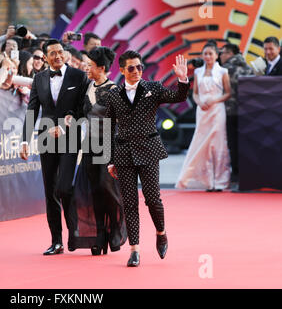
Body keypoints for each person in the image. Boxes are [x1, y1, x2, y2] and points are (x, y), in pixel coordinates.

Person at [106, 50, 189, 267]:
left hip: (149, 150)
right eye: (131, 68)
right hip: (124, 154)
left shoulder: (153, 88)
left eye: (140, 67)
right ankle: (134, 250)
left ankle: (161, 232)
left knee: (153, 199)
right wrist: (111, 159)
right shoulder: (113, 95)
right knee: (130, 203)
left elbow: (178, 97)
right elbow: (109, 128)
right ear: (122, 70)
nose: (136, 71)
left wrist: (182, 78)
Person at [20, 38, 89, 255]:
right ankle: (56, 241)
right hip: (46, 138)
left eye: (60, 52)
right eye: (53, 53)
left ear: (65, 53)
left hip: (70, 137)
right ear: (46, 56)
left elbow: (84, 108)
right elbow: (32, 111)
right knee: (50, 190)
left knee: (64, 187)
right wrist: (25, 140)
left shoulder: (78, 76)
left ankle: (75, 231)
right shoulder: (39, 78)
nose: (57, 56)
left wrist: (67, 124)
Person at [70, 46, 127, 255]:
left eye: (90, 65)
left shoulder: (115, 90)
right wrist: (70, 118)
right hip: (89, 146)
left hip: (110, 146)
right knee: (93, 191)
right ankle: (100, 235)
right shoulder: (87, 87)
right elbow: (79, 113)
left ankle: (114, 229)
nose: (86, 68)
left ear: (101, 68)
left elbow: (123, 121)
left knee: (108, 189)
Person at [176, 43, 231, 191]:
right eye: (205, 54)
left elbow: (228, 93)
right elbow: (194, 93)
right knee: (202, 144)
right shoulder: (198, 72)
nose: (207, 57)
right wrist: (199, 102)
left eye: (210, 54)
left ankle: (220, 181)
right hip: (202, 111)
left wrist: (215, 100)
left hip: (217, 110)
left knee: (218, 144)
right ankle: (207, 181)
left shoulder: (223, 71)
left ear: (216, 55)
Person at [219, 43, 254, 184]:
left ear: (230, 54)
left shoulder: (224, 70)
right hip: (248, 113)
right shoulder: (249, 69)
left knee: (232, 144)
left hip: (230, 111)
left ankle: (235, 173)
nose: (220, 56)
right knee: (246, 144)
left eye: (223, 53)